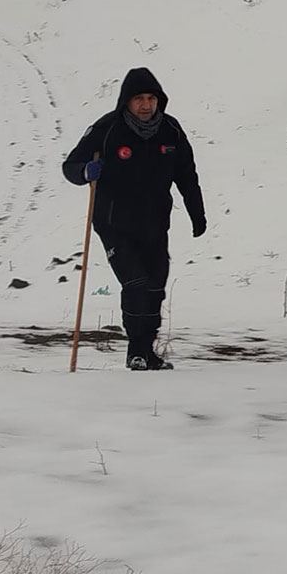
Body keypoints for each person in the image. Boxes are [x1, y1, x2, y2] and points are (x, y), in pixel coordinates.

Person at [63, 68, 206, 371]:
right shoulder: (108, 129)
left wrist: (197, 213)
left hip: (154, 223)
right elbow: (71, 165)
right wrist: (85, 171)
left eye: (151, 98)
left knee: (156, 285)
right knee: (136, 282)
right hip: (114, 223)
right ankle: (135, 350)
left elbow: (187, 176)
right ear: (126, 101)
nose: (145, 105)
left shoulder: (171, 131)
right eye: (139, 98)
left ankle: (145, 350)